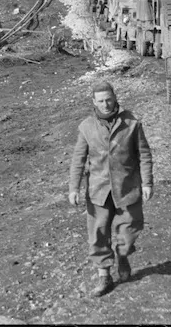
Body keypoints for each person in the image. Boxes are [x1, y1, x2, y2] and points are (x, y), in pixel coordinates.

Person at [68, 81, 153, 297]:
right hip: (98, 190)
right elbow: (78, 159)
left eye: (109, 99)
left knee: (129, 230)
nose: (106, 104)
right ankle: (104, 276)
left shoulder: (132, 122)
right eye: (101, 101)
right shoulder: (86, 127)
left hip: (127, 187)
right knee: (98, 234)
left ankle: (123, 256)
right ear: (93, 102)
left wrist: (147, 183)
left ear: (115, 97)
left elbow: (144, 154)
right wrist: (73, 188)